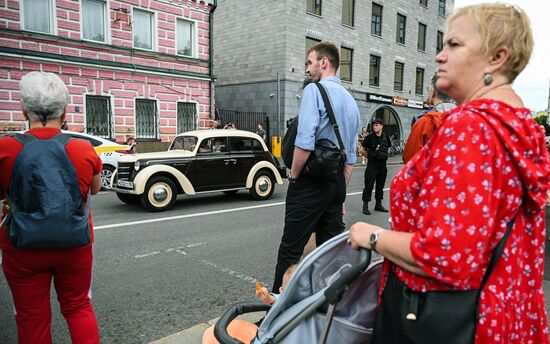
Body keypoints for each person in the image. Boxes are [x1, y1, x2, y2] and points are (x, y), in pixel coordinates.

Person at [348, 4, 549, 343]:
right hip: (505, 313)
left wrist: (370, 235)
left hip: (444, 320)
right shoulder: (521, 126)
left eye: (454, 45)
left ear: (497, 57)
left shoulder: (470, 126)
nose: (440, 56)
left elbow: (444, 256)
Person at [0, 72, 102, 343]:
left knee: (31, 316)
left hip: (21, 246)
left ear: (23, 109)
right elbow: (95, 188)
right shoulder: (83, 148)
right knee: (78, 306)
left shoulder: (5, 148)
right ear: (65, 110)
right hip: (75, 243)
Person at [271, 41, 360, 292]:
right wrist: (339, 190)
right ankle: (322, 308)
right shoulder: (351, 101)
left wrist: (295, 174)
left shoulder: (314, 90)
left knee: (291, 249)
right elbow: (351, 155)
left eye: (310, 63)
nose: (308, 69)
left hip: (310, 182)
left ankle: (277, 315)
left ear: (324, 62)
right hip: (336, 183)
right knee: (328, 252)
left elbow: (305, 141)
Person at [201, 264, 298, 344]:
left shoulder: (295, 320)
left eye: (284, 289)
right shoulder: (303, 304)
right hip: (265, 334)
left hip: (266, 338)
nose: (280, 289)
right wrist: (268, 297)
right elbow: (279, 299)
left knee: (214, 335)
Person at [402, 73, 456, 163]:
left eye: (428, 90)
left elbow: (409, 159)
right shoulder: (469, 123)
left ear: (433, 91)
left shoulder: (424, 123)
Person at [359, 118, 391, 215]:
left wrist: (384, 155)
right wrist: (370, 157)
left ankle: (378, 205)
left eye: (377, 125)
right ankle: (365, 206)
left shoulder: (386, 137)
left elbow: (389, 148)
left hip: (382, 167)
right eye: (374, 125)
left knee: (380, 186)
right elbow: (361, 150)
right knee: (368, 186)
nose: (375, 127)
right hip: (372, 167)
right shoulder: (369, 137)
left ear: (381, 126)